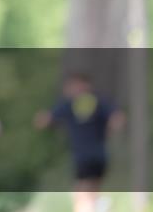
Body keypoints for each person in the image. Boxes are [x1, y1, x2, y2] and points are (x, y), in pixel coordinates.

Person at [33, 72, 126, 212]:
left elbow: (44, 121)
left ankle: (98, 207)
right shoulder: (99, 101)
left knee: (81, 195)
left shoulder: (70, 103)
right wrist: (108, 131)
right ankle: (100, 206)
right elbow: (118, 118)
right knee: (93, 190)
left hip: (82, 156)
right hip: (100, 155)